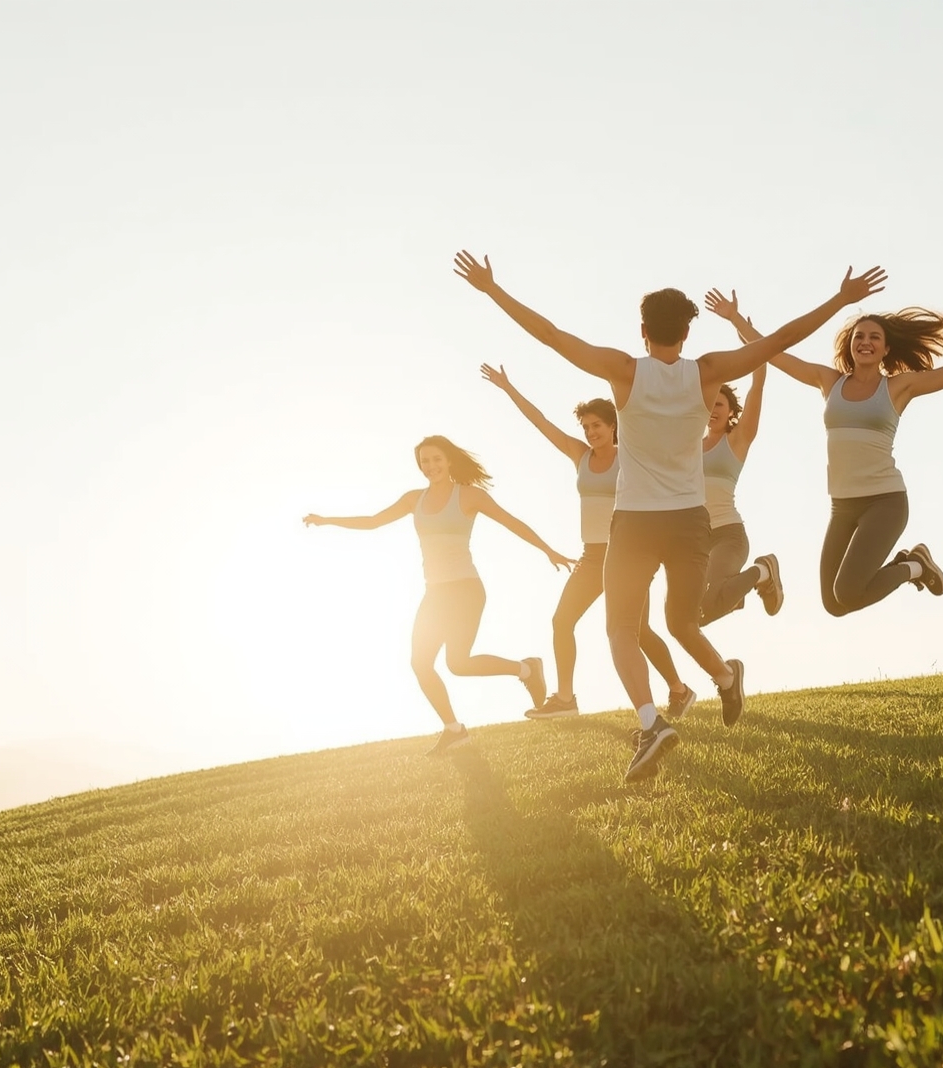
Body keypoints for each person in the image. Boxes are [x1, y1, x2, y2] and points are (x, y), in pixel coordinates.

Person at [454, 251, 886, 781]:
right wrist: (842, 300)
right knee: (682, 622)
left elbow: (550, 335)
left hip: (635, 522)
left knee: (620, 629)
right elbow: (777, 342)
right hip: (689, 522)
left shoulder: (623, 371)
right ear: (686, 332)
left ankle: (651, 722)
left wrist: (493, 290)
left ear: (642, 331)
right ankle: (726, 679)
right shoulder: (708, 373)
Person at [708, 289, 943, 616]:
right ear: (850, 344)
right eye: (859, 336)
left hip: (885, 502)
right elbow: (773, 351)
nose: (865, 342)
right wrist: (736, 319)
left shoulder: (899, 387)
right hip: (843, 505)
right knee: (834, 603)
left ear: (886, 349)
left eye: (874, 337)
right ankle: (912, 564)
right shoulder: (830, 382)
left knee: (847, 592)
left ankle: (913, 567)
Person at [303, 435, 575, 755]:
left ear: (448, 461)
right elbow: (373, 521)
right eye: (424, 461)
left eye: (435, 459)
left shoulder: (469, 496)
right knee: (420, 662)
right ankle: (454, 729)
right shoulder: (413, 499)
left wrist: (548, 550)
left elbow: (511, 522)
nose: (430, 466)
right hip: (434, 593)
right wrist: (327, 520)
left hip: (465, 589)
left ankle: (527, 669)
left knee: (458, 663)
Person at [479, 364, 697, 719]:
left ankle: (679, 689)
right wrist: (508, 388)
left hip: (629, 556)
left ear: (614, 426)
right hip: (592, 557)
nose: (591, 432)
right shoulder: (579, 456)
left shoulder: (631, 457)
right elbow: (541, 422)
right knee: (562, 620)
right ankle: (565, 699)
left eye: (597, 425)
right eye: (586, 427)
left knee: (637, 632)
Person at [695, 295, 782, 624]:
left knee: (711, 600)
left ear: (731, 412)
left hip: (728, 535)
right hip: (697, 542)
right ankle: (735, 594)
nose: (713, 410)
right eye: (709, 404)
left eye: (721, 404)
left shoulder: (737, 440)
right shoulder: (689, 446)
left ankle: (763, 570)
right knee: (693, 615)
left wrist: (736, 321)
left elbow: (760, 374)